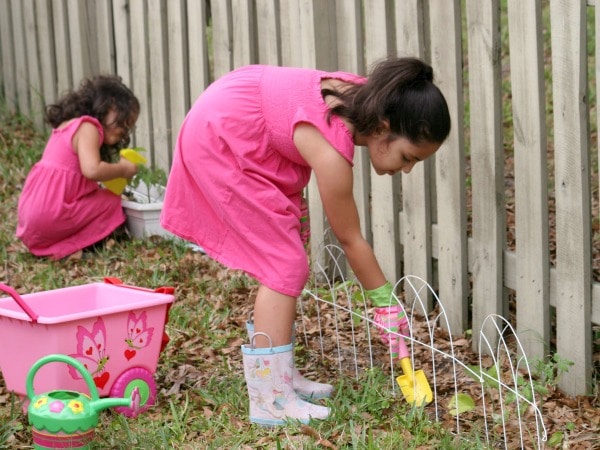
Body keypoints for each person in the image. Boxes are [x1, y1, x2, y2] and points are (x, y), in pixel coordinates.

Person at [160, 56, 451, 426]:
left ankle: (280, 375)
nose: (406, 169)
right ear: (383, 127)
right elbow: (349, 238)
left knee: (288, 255)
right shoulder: (332, 152)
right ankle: (269, 398)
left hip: (243, 118)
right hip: (224, 134)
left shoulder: (370, 99)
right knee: (284, 265)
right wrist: (385, 303)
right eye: (407, 156)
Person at [16, 75, 140, 260]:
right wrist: (122, 169)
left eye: (130, 124)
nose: (126, 126)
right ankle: (84, 247)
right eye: (123, 117)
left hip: (31, 218)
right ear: (105, 106)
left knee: (98, 198)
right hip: (50, 213)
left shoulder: (68, 125)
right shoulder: (88, 127)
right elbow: (92, 170)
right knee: (111, 202)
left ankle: (56, 247)